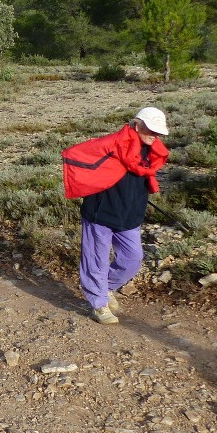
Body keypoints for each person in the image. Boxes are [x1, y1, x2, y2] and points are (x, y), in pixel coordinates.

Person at [62, 107, 170, 324]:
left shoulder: (152, 151)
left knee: (133, 259)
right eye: (151, 129)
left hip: (130, 213)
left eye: (158, 132)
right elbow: (74, 154)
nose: (155, 135)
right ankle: (99, 304)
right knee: (96, 260)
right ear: (137, 124)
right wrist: (88, 184)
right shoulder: (112, 143)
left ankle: (105, 288)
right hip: (100, 211)